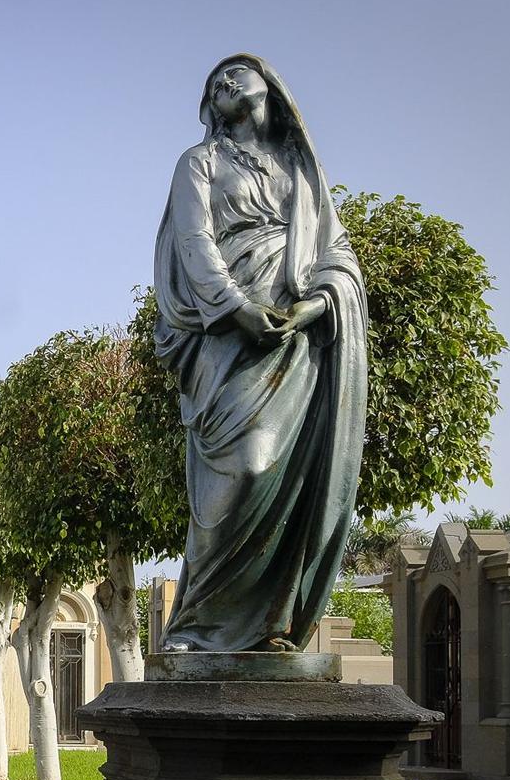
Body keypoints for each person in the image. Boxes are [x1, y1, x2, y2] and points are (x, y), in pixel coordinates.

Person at [154, 54, 367, 653]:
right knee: (243, 471)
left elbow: (338, 255)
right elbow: (195, 244)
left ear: (268, 86)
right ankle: (198, 625)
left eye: (236, 71)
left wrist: (316, 306)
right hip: (226, 341)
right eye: (213, 81)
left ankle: (269, 627)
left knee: (287, 481)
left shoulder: (301, 172)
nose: (224, 81)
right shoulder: (199, 163)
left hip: (294, 341)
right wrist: (237, 309)